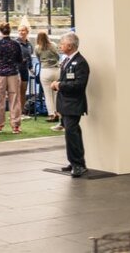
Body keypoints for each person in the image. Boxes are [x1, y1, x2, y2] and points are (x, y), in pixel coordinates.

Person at [51, 32, 90, 177]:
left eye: (62, 44)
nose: (60, 46)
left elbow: (80, 84)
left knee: (72, 134)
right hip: (65, 103)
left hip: (73, 104)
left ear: (70, 45)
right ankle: (74, 161)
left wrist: (60, 85)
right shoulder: (67, 60)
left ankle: (78, 164)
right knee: (71, 134)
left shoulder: (80, 62)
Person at [0, 22, 24, 134]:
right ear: (10, 30)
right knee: (14, 99)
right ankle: (16, 126)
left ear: (0, 31)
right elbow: (20, 59)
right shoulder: (16, 44)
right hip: (13, 74)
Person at [36, 31, 62, 128]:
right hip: (56, 69)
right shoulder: (53, 45)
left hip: (45, 70)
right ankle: (58, 112)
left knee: (47, 94)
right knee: (56, 93)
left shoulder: (37, 48)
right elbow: (58, 56)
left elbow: (39, 59)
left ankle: (51, 114)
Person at [16, 24, 34, 119]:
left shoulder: (29, 44)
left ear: (27, 32)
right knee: (16, 92)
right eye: (20, 30)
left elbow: (30, 58)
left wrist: (31, 68)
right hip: (16, 70)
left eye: (23, 30)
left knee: (23, 92)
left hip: (25, 70)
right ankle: (15, 113)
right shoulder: (15, 43)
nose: (21, 32)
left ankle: (22, 113)